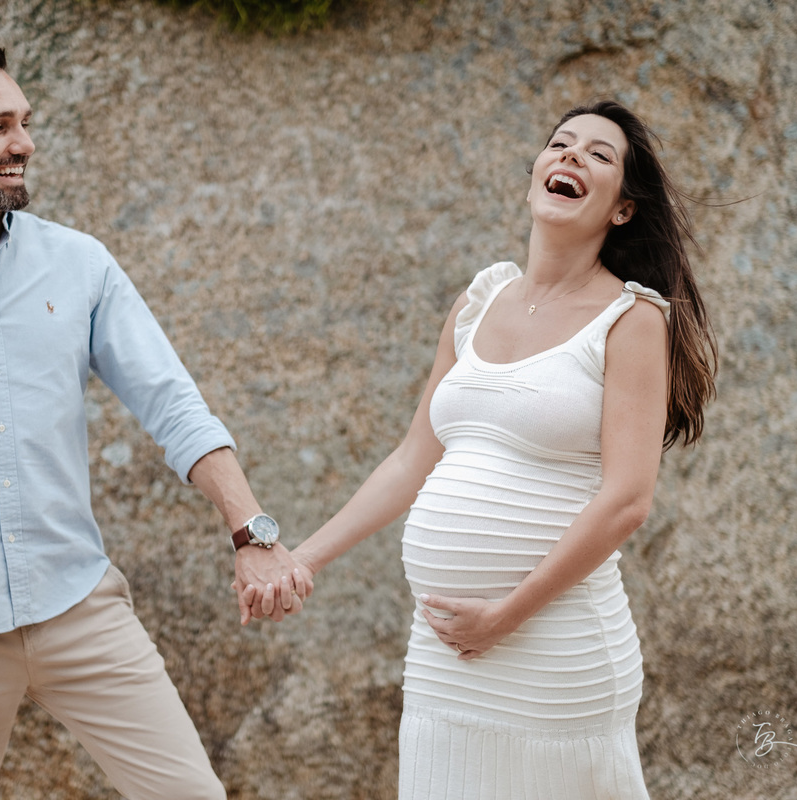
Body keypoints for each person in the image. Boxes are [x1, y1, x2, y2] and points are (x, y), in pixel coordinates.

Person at [0, 46, 307, 800]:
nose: (23, 144)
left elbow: (172, 404)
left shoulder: (81, 264)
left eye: (26, 123)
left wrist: (251, 532)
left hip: (79, 608)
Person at [251, 100, 717, 797]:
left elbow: (627, 500)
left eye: (598, 154)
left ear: (623, 208)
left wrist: (505, 616)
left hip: (555, 650)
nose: (570, 157)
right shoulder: (481, 299)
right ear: (534, 173)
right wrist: (302, 558)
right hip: (445, 656)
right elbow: (413, 459)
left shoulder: (632, 318)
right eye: (560, 144)